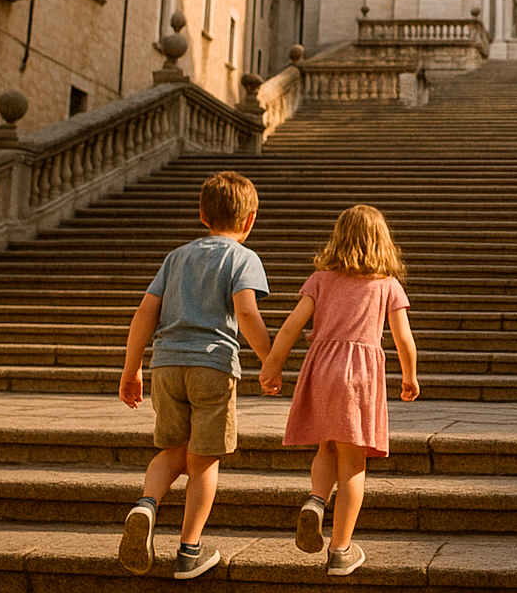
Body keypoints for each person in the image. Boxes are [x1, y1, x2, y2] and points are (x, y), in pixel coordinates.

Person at [117, 171, 272, 580]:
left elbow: (144, 312)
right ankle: (189, 551)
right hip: (213, 367)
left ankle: (146, 505)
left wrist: (130, 369)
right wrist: (269, 358)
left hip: (166, 365)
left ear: (203, 215)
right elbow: (246, 312)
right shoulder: (242, 258)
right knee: (203, 462)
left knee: (172, 451)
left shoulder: (176, 257)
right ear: (250, 219)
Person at [260, 204, 420, 578]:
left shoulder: (321, 279)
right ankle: (340, 550)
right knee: (353, 462)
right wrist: (410, 376)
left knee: (326, 446)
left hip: (321, 369)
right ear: (383, 243)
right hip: (360, 376)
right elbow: (404, 338)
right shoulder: (387, 285)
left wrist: (272, 365)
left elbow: (290, 327)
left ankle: (317, 501)